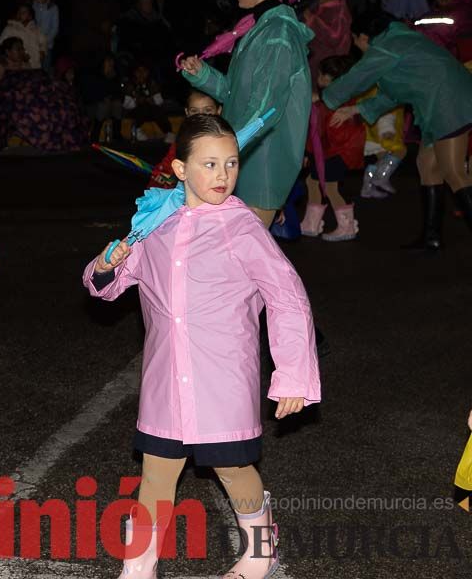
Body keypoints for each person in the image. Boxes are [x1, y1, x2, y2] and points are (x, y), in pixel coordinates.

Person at [84, 113, 320, 579]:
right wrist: (107, 264)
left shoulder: (243, 227)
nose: (223, 176)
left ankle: (260, 550)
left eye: (231, 164)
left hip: (223, 378)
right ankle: (139, 565)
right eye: (209, 164)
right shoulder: (154, 224)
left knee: (233, 470)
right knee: (156, 474)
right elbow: (107, 286)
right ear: (180, 170)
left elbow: (287, 295)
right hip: (167, 379)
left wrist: (293, 373)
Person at [180, 0, 313, 226]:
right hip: (247, 151)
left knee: (248, 262)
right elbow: (234, 93)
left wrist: (224, 149)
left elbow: (265, 107)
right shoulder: (262, 27)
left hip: (262, 157)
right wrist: (202, 74)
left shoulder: (278, 32)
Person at [322, 10, 472, 249]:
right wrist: (355, 110)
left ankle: (432, 237)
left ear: (363, 36)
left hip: (449, 105)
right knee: (427, 165)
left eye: (354, 39)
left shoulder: (387, 46)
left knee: (454, 172)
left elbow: (358, 77)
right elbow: (393, 92)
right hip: (442, 104)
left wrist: (325, 97)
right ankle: (431, 237)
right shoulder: (398, 41)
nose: (355, 45)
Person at [300, 55, 365, 241]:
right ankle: (311, 223)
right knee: (312, 182)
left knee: (330, 187)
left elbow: (327, 133)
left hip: (336, 152)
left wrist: (311, 151)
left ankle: (347, 226)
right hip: (325, 151)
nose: (318, 78)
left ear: (332, 80)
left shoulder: (336, 103)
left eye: (322, 75)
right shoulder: (330, 100)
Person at [148, 89, 221, 188]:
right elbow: (168, 164)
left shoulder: (223, 139)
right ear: (187, 112)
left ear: (218, 110)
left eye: (207, 110)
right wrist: (161, 175)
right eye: (194, 111)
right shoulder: (183, 140)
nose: (201, 116)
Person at [302, 0, 351, 82]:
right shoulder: (318, 4)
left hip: (325, 66)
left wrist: (313, 21)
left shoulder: (339, 11)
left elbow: (334, 38)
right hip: (313, 60)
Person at [0, 4, 47, 69]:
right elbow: (1, 42)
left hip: (36, 65)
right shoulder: (11, 28)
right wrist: (20, 54)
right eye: (19, 12)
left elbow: (43, 41)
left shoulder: (36, 29)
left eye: (24, 12)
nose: (21, 14)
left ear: (30, 16)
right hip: (19, 66)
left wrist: (42, 51)